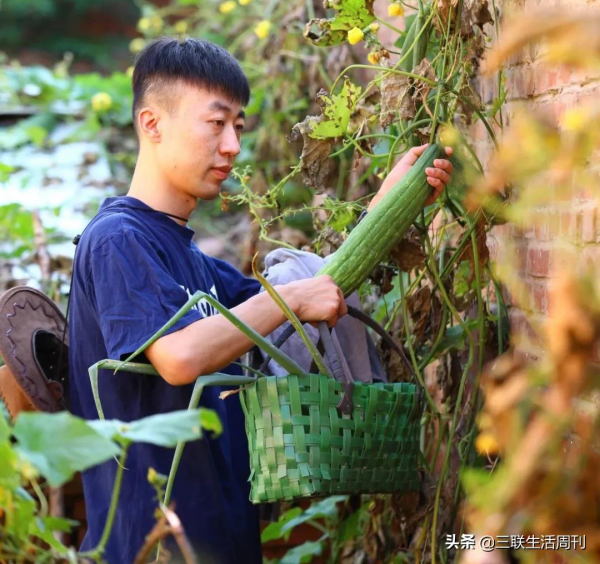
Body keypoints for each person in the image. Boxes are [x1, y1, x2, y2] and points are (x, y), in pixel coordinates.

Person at [69, 37, 453, 564]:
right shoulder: (117, 239)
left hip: (224, 539)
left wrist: (387, 205)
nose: (232, 146)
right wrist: (291, 298)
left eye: (239, 128)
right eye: (216, 123)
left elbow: (319, 290)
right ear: (152, 124)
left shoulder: (198, 265)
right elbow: (177, 358)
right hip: (152, 547)